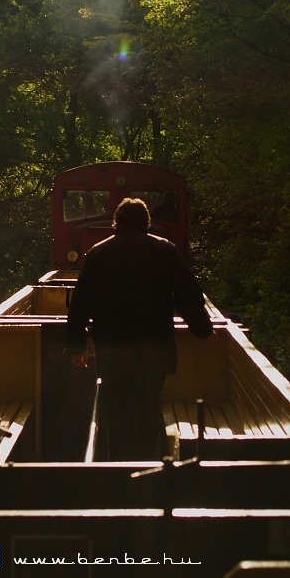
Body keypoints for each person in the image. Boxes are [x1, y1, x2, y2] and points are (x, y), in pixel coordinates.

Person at [66, 197, 214, 460]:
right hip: (154, 353)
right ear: (147, 223)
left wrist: (77, 347)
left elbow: (79, 305)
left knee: (116, 416)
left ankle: (118, 475)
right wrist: (202, 329)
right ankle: (147, 473)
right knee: (147, 412)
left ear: (116, 223)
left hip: (112, 353)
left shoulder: (98, 253)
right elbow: (189, 296)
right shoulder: (165, 250)